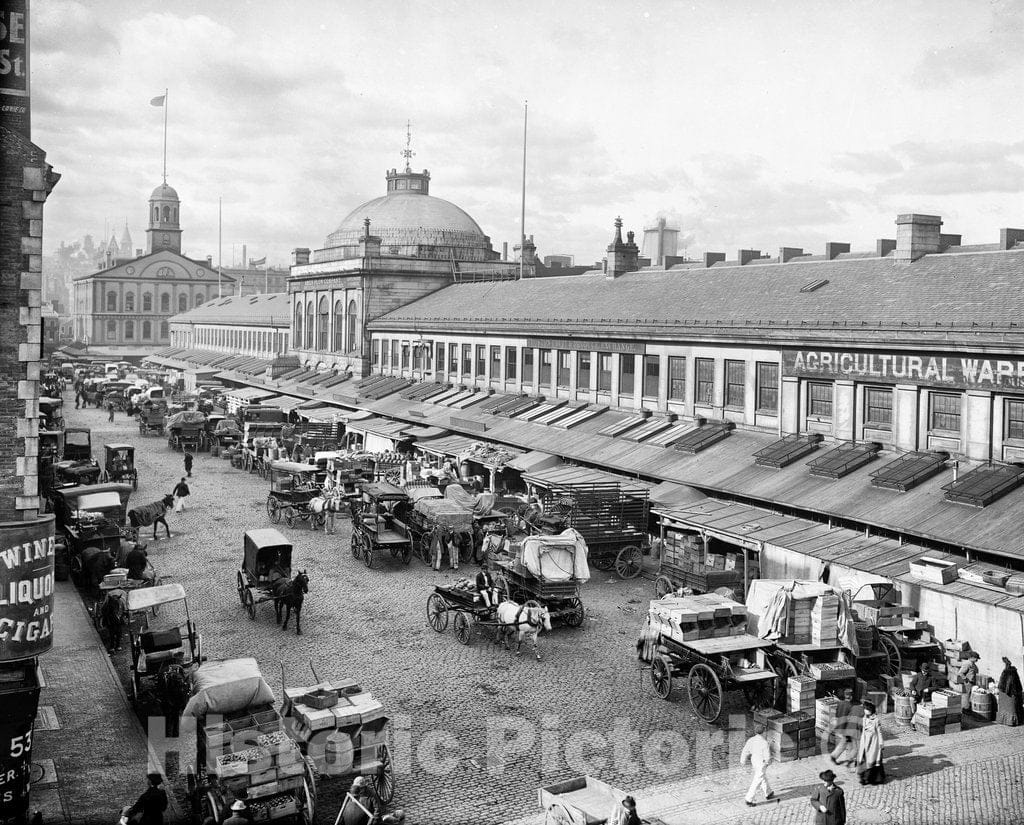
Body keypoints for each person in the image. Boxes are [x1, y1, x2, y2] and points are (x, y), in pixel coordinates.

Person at [740, 724, 774, 807]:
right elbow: (767, 756)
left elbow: (745, 751)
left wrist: (742, 761)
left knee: (762, 776)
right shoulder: (764, 743)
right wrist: (768, 762)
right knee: (758, 780)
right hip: (761, 763)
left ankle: (768, 792)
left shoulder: (751, 740)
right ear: (763, 732)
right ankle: (749, 799)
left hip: (754, 761)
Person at [830, 688, 862, 767]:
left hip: (840, 727)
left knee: (843, 743)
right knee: (852, 746)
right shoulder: (850, 706)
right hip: (848, 728)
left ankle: (834, 755)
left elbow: (837, 714)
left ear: (844, 695)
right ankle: (850, 760)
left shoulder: (840, 703)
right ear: (851, 697)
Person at [856, 700, 885, 785]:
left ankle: (874, 778)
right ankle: (863, 777)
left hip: (873, 743)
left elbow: (879, 732)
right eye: (864, 709)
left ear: (871, 710)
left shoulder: (876, 720)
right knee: (863, 758)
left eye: (867, 709)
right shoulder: (864, 718)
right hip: (864, 741)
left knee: (872, 760)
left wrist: (881, 742)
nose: (865, 710)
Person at [997, 656, 1023, 726]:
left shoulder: (1005, 672)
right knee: (1011, 708)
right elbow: (1009, 684)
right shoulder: (1012, 673)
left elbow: (1006, 684)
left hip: (1004, 693)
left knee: (1004, 708)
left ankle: (1002, 720)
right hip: (1009, 694)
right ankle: (1010, 722)